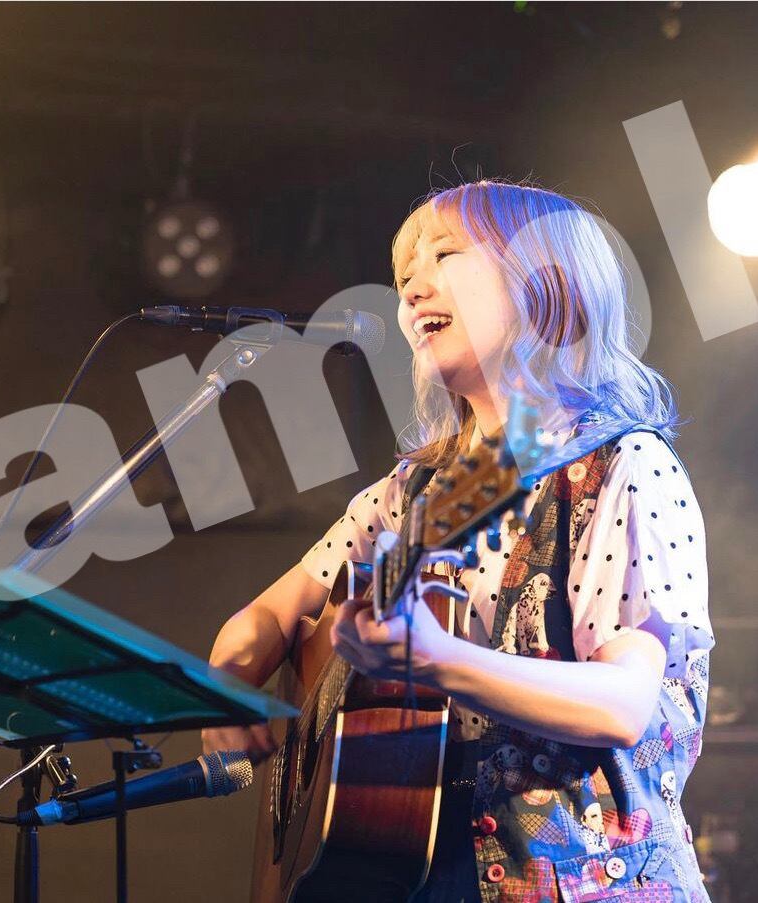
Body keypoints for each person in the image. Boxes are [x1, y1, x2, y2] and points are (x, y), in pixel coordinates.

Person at [204, 180, 714, 903]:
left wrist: (437, 660)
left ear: (548, 283)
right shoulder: (415, 495)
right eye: (405, 273)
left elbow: (623, 703)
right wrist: (227, 689)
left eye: (444, 255)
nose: (412, 288)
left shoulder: (623, 465)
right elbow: (268, 616)